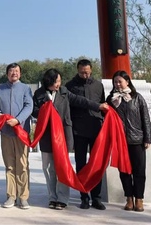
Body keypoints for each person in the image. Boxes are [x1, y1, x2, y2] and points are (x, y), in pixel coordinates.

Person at [33, 68, 101, 210]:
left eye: (59, 81)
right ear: (49, 82)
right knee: (48, 168)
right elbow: (34, 111)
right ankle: (52, 197)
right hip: (47, 135)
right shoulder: (39, 94)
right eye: (56, 82)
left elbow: (81, 100)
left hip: (62, 135)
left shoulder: (64, 91)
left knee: (62, 167)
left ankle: (63, 198)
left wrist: (98, 106)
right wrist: (45, 111)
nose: (59, 84)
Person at [65, 59, 109, 210]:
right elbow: (70, 107)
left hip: (96, 129)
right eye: (82, 72)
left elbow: (103, 105)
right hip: (79, 130)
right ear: (77, 70)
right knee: (81, 164)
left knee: (97, 163)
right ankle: (84, 196)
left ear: (91, 70)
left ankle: (96, 197)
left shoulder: (98, 85)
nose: (85, 75)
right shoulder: (70, 86)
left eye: (87, 72)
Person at [107, 70, 151, 213]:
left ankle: (139, 199)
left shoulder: (137, 97)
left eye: (120, 81)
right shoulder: (111, 99)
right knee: (124, 171)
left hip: (137, 140)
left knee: (139, 171)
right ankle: (129, 199)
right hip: (120, 142)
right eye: (115, 82)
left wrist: (147, 138)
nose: (117, 84)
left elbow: (145, 118)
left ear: (127, 82)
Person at [0, 63, 33, 209]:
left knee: (22, 165)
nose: (14, 73)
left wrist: (18, 120)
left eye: (16, 71)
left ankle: (23, 197)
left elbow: (29, 106)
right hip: (6, 132)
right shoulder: (0, 89)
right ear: (7, 73)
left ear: (20, 73)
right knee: (9, 165)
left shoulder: (26, 88)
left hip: (21, 132)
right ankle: (11, 196)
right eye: (11, 71)